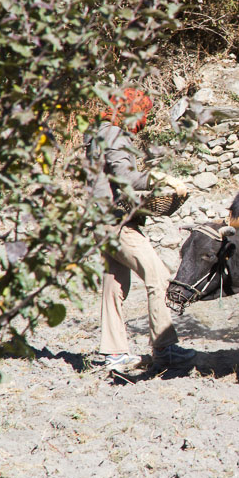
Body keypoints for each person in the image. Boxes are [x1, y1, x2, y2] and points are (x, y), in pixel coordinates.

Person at [87, 88, 196, 369]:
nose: (144, 120)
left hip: (101, 220)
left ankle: (113, 353)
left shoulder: (96, 134)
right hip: (118, 224)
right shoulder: (112, 132)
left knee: (114, 284)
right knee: (158, 276)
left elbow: (109, 181)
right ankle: (165, 348)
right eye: (143, 112)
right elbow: (124, 177)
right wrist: (158, 177)